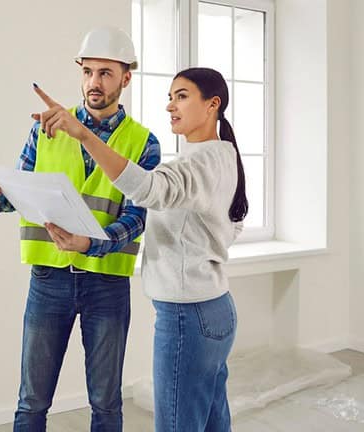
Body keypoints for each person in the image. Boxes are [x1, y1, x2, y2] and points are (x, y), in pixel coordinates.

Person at [32, 67, 246, 432]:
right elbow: (231, 224)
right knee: (212, 424)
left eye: (181, 96)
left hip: (187, 316)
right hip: (215, 308)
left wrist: (83, 134)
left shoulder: (199, 163)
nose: (170, 106)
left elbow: (147, 189)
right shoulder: (223, 157)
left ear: (213, 105)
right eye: (169, 96)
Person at [0, 27, 161, 432]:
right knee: (32, 402)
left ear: (126, 78)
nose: (95, 82)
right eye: (88, 71)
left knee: (106, 403)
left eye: (106, 73)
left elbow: (137, 218)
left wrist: (92, 244)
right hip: (48, 279)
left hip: (106, 284)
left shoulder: (143, 142)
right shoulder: (45, 128)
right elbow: (24, 190)